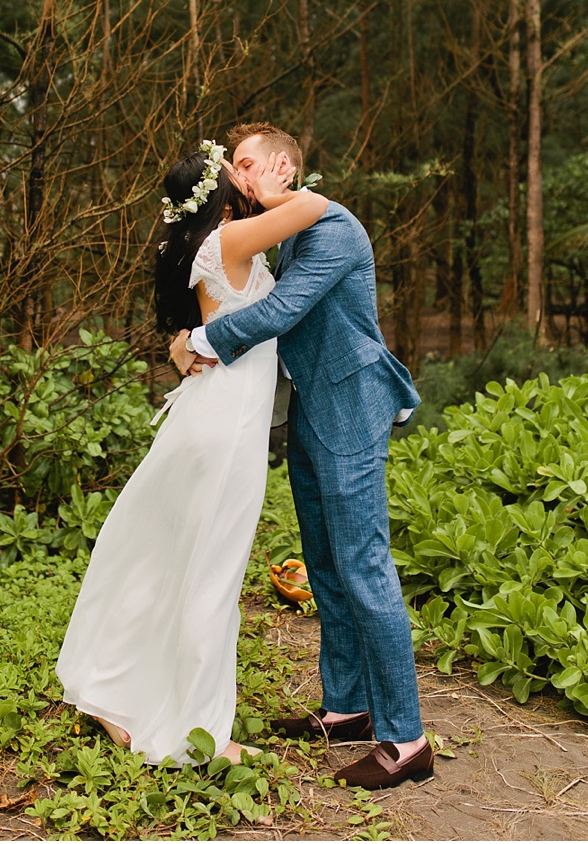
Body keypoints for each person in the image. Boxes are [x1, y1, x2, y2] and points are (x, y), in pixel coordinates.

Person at [169, 123, 433, 790]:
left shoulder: (331, 226)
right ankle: (347, 704)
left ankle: (407, 739)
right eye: (234, 166)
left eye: (250, 163)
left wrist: (200, 339)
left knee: (363, 562)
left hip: (350, 403)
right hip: (313, 408)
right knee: (323, 558)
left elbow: (285, 307)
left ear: (285, 166)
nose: (240, 174)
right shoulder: (284, 230)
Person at [55, 139, 328, 767]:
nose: (250, 172)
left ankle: (109, 687)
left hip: (209, 417)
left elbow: (192, 335)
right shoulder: (229, 242)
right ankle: (200, 733)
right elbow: (313, 206)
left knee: (164, 560)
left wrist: (184, 349)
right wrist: (282, 183)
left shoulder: (216, 244)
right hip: (226, 428)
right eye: (240, 167)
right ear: (225, 188)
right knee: (213, 575)